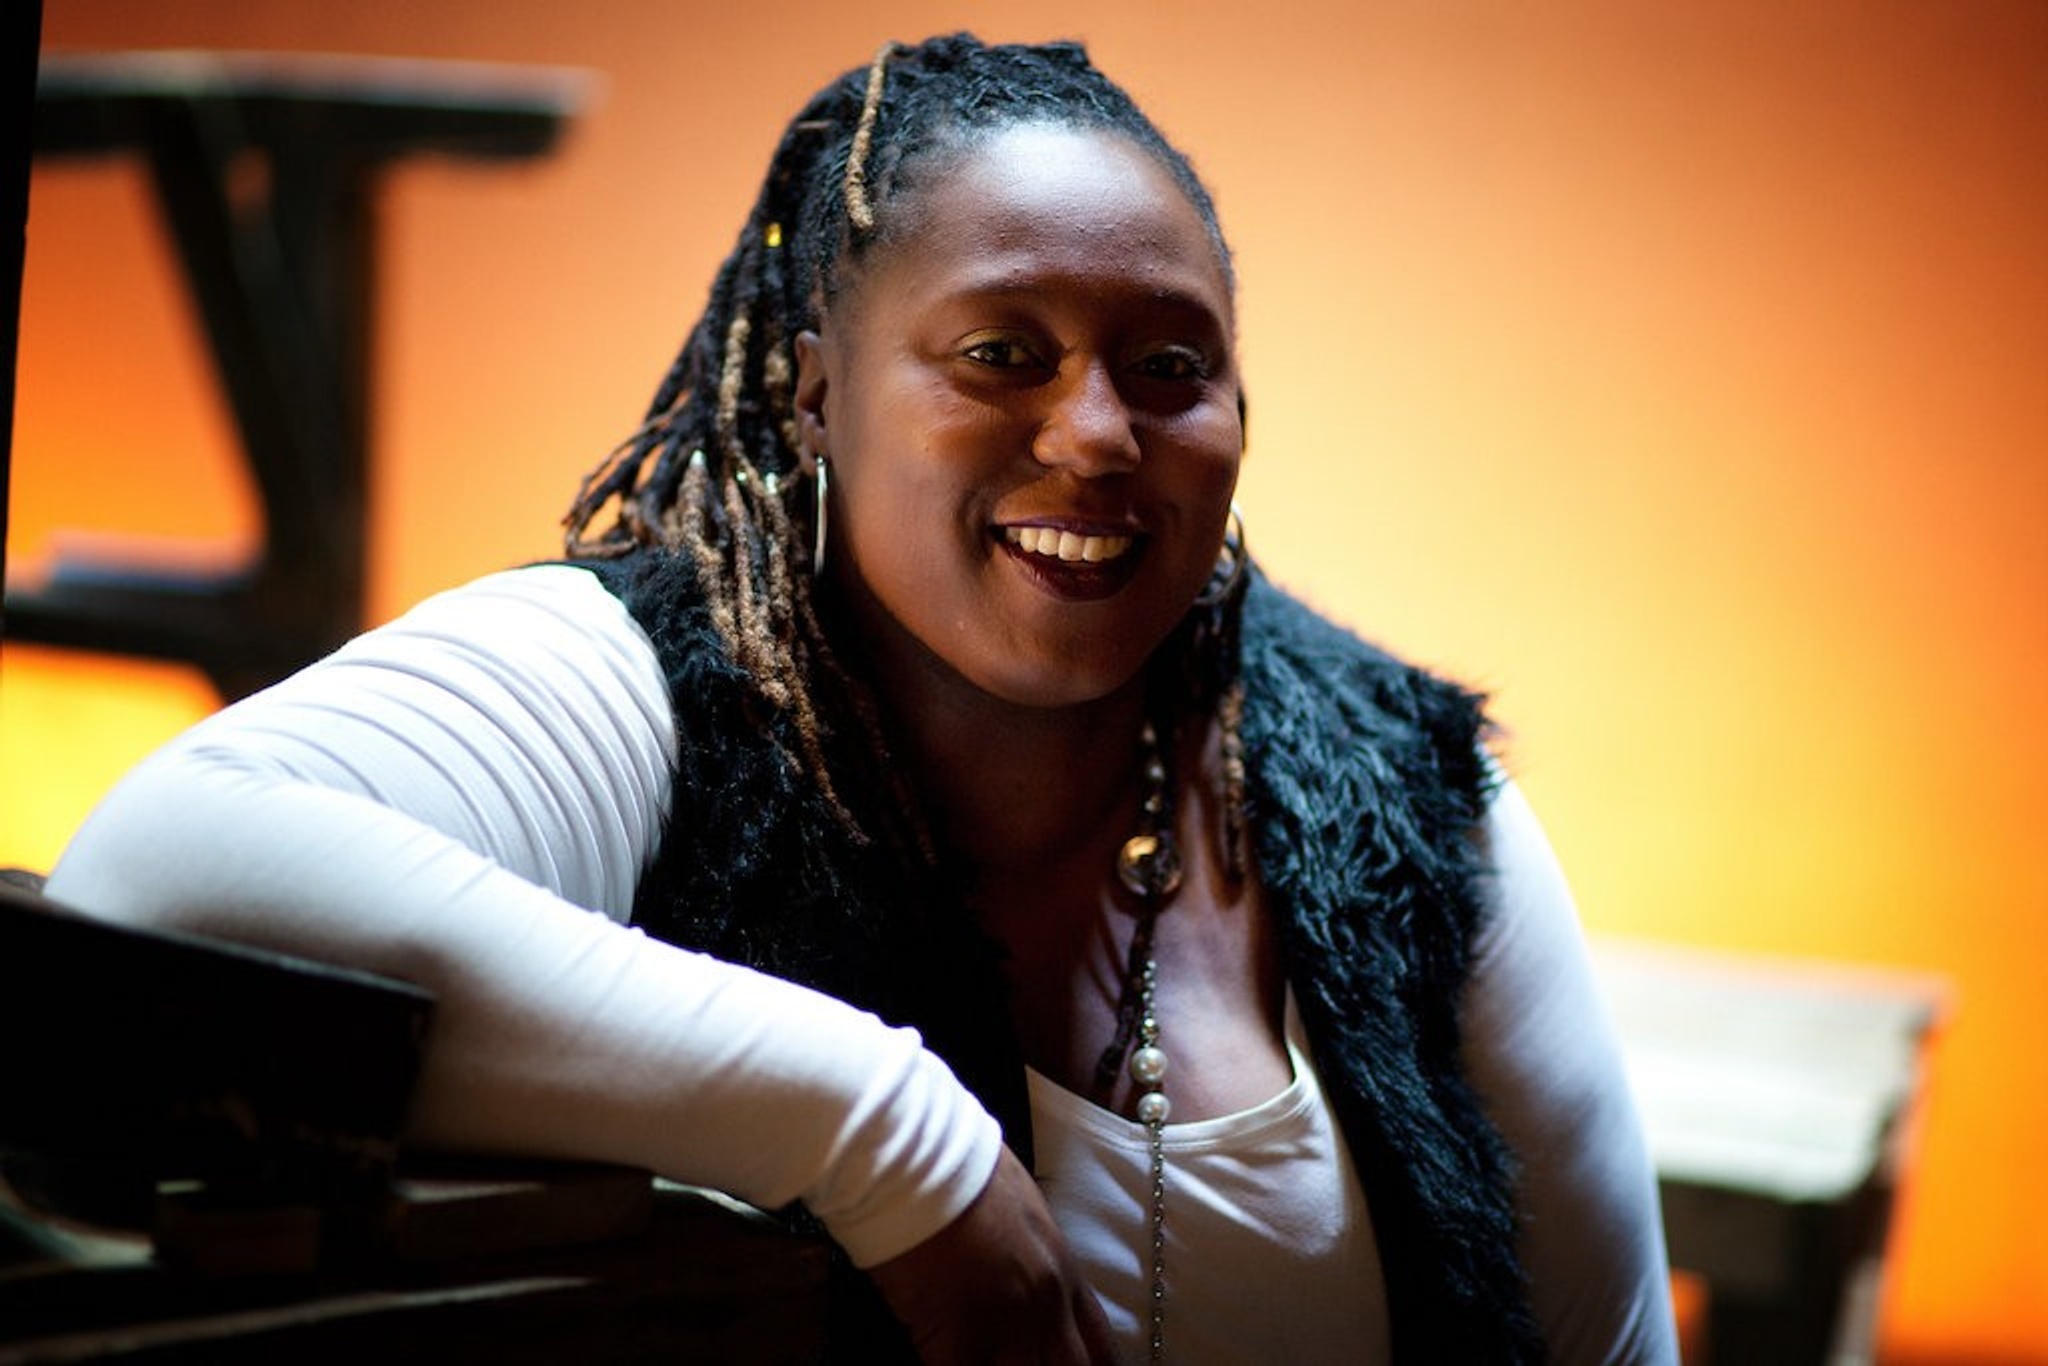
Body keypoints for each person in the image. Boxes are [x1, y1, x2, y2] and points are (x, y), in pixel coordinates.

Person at [46, 34, 1678, 1366]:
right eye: (1000, 352)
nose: (1098, 434)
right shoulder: (654, 682)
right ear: (816, 389)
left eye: (1169, 365)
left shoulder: (1401, 799)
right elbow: (158, 888)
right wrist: (895, 1139)